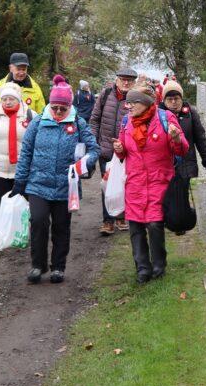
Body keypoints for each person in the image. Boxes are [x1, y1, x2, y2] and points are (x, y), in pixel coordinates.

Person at [12, 76, 99, 284]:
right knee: (38, 222)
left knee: (61, 226)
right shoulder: (37, 123)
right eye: (55, 108)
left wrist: (82, 164)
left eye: (63, 109)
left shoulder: (78, 123)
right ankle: (37, 265)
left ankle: (58, 267)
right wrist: (20, 181)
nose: (58, 112)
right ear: (50, 105)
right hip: (38, 184)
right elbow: (26, 153)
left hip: (65, 186)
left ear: (69, 106)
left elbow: (94, 149)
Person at [113, 80, 188, 284]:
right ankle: (142, 269)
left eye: (132, 103)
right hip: (135, 182)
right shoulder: (126, 122)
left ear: (145, 103)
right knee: (136, 226)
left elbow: (182, 150)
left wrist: (176, 139)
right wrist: (119, 150)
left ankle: (159, 265)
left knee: (154, 224)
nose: (128, 107)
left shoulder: (165, 118)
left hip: (159, 181)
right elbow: (123, 151)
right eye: (127, 104)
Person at [0, 81, 36, 252]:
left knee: (23, 202)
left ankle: (21, 235)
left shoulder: (30, 115)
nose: (8, 102)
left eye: (11, 99)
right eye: (5, 99)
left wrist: (32, 161)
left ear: (18, 99)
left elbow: (37, 139)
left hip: (22, 167)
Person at [89, 66, 136, 235]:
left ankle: (121, 216)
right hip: (106, 150)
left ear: (134, 83)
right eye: (123, 79)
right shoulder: (106, 94)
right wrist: (94, 143)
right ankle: (107, 221)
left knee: (125, 183)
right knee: (107, 184)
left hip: (127, 151)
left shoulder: (135, 99)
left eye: (129, 80)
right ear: (117, 80)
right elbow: (95, 119)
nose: (126, 82)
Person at [160, 80, 206, 179]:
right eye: (169, 99)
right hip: (164, 167)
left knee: (184, 193)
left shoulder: (190, 113)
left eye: (176, 98)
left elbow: (200, 138)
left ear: (181, 98)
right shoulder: (158, 114)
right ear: (164, 100)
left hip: (187, 164)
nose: (173, 102)